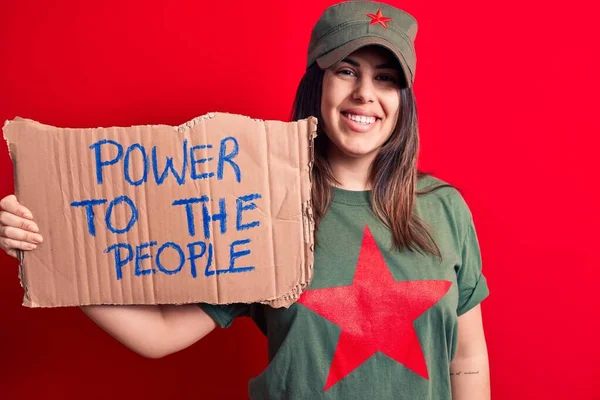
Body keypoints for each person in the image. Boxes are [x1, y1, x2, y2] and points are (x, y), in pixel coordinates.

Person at [0, 1, 490, 399]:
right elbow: (161, 334)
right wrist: (48, 250)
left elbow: (466, 359)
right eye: (347, 70)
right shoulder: (262, 207)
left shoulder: (444, 209)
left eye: (385, 78)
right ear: (318, 85)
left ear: (404, 100)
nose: (365, 93)